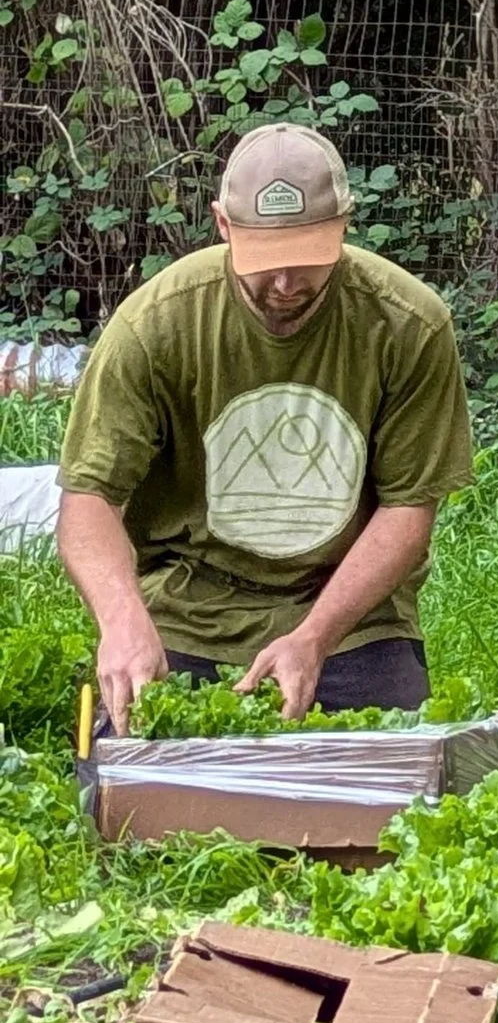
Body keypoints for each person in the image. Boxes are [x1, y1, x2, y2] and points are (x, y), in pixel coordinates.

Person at [55, 123, 472, 726]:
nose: (284, 284)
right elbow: (88, 500)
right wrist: (122, 622)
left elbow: (409, 513)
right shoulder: (154, 326)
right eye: (265, 260)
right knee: (133, 785)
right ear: (223, 225)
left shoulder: (409, 324)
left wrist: (314, 639)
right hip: (187, 605)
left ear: (344, 224)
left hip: (350, 616)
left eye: (305, 259)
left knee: (387, 786)